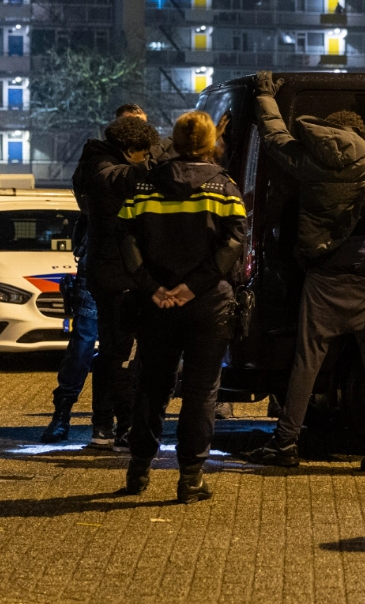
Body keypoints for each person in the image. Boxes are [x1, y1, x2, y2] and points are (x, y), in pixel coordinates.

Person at [245, 70, 365, 467]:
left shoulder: (307, 158)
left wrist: (265, 94)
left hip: (323, 276)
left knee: (307, 361)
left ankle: (284, 444)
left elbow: (273, 133)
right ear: (360, 133)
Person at [117, 111, 246, 503]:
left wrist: (154, 287)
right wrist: (193, 287)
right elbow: (234, 243)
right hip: (207, 304)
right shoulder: (224, 189)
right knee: (201, 390)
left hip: (156, 305)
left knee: (151, 387)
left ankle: (138, 468)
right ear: (210, 143)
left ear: (173, 140)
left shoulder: (145, 185)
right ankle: (190, 478)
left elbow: (126, 239)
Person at [40, 113, 161, 446]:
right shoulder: (100, 166)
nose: (148, 155)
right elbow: (116, 186)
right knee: (95, 347)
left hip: (115, 270)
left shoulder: (106, 162)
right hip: (108, 271)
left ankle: (113, 424)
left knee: (112, 351)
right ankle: (79, 417)